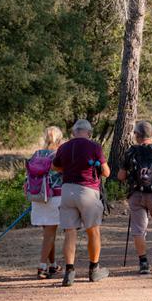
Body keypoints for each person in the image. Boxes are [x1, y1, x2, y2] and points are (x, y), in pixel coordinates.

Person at [51, 119, 110, 286]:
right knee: (93, 231)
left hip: (67, 190)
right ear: (89, 132)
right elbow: (106, 172)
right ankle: (94, 270)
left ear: (74, 132)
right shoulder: (94, 147)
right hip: (88, 191)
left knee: (70, 232)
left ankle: (69, 273)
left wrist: (67, 169)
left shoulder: (64, 147)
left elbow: (55, 166)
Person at [117, 121, 152, 274]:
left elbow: (121, 176)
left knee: (138, 229)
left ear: (137, 135)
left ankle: (143, 263)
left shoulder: (130, 152)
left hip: (136, 194)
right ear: (151, 134)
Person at [28, 126, 64, 279]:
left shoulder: (37, 154)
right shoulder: (58, 155)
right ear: (60, 139)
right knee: (49, 234)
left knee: (49, 233)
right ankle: (42, 267)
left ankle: (53, 265)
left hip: (38, 197)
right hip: (54, 197)